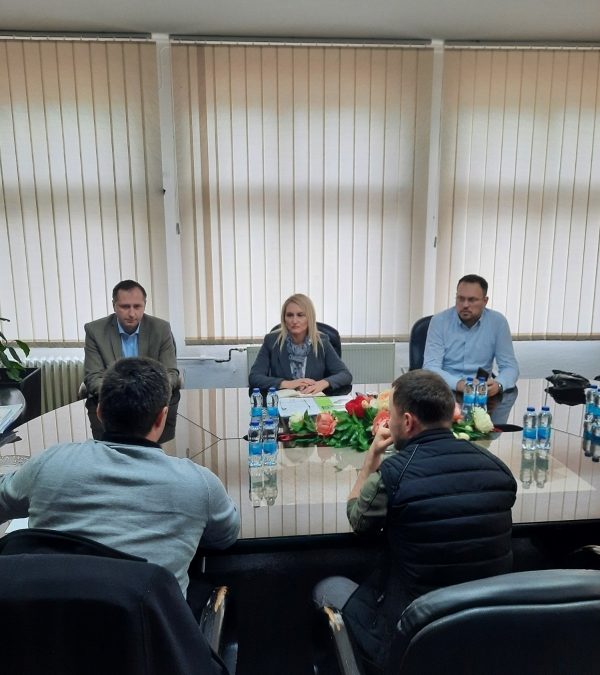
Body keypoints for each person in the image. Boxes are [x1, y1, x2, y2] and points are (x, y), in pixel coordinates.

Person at [313, 370, 517, 672]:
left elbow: (359, 521)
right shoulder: (497, 469)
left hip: (413, 636)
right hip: (488, 631)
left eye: (392, 415)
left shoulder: (393, 475)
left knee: (328, 588)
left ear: (407, 422)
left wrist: (370, 462)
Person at [0, 357, 240, 609]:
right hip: (151, 631)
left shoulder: (48, 464)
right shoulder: (198, 484)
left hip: (48, 627)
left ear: (99, 412)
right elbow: (225, 536)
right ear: (162, 417)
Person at [83, 279, 180, 442]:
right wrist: (127, 396)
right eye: (125, 306)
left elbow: (171, 373)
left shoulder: (161, 328)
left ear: (145, 305)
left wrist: (144, 395)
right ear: (114, 305)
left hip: (151, 408)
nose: (132, 313)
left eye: (137, 306)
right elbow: (93, 377)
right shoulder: (95, 330)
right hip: (113, 411)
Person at [423, 273, 519, 397]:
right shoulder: (439, 321)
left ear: (485, 301)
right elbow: (431, 367)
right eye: (460, 298)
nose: (465, 305)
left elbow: (510, 366)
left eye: (472, 300)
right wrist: (460, 385)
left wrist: (499, 385)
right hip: (445, 390)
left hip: (482, 392)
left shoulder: (497, 322)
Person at [249, 293, 352, 395]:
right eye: (290, 315)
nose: (294, 321)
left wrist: (323, 383)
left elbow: (345, 374)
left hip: (313, 399)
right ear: (284, 318)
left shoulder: (322, 342)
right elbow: (254, 377)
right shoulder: (272, 341)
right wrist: (286, 384)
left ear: (309, 317)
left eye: (300, 315)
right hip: (283, 401)